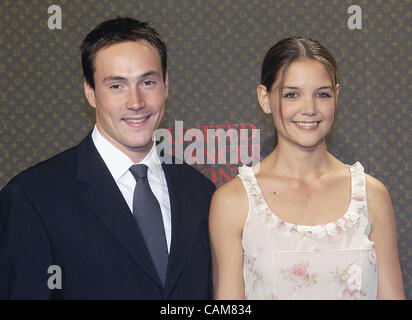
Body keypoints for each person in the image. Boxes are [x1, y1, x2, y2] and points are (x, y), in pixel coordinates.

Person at [0, 17, 215, 299]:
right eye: (117, 86)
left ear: (166, 85)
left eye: (147, 82)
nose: (136, 102)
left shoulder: (201, 192)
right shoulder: (32, 197)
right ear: (90, 92)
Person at [209, 37, 405, 300]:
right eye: (292, 95)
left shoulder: (372, 195)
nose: (309, 109)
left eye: (322, 94)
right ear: (265, 99)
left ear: (336, 97)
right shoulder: (233, 201)